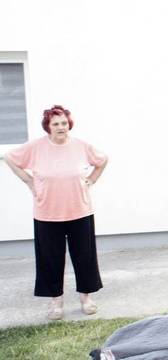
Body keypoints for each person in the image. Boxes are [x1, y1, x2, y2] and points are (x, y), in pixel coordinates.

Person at [4, 105, 108, 320]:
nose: (61, 127)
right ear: (48, 127)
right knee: (50, 259)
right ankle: (56, 302)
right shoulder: (36, 147)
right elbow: (10, 157)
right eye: (56, 124)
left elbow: (102, 160)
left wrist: (92, 180)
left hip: (80, 210)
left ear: (68, 124)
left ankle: (86, 299)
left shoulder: (81, 146)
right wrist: (29, 181)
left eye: (64, 123)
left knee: (85, 257)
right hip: (47, 213)